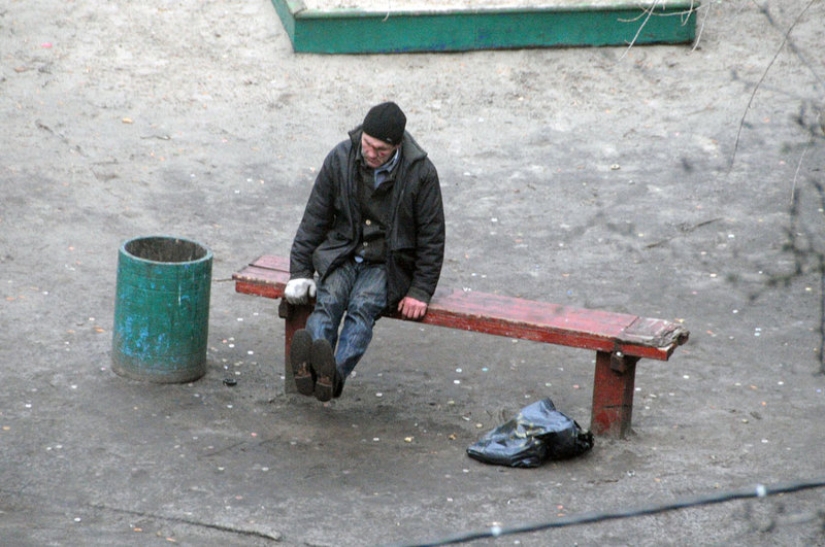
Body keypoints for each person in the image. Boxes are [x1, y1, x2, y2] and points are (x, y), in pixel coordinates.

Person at [284, 101, 446, 402]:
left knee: (362, 307)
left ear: (396, 146)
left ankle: (333, 376)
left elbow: (432, 237)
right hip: (343, 253)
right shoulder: (340, 157)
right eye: (367, 145)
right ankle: (311, 363)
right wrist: (301, 272)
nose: (370, 154)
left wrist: (420, 290)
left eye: (380, 151)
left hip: (388, 263)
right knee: (328, 301)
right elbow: (314, 218)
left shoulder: (421, 173)